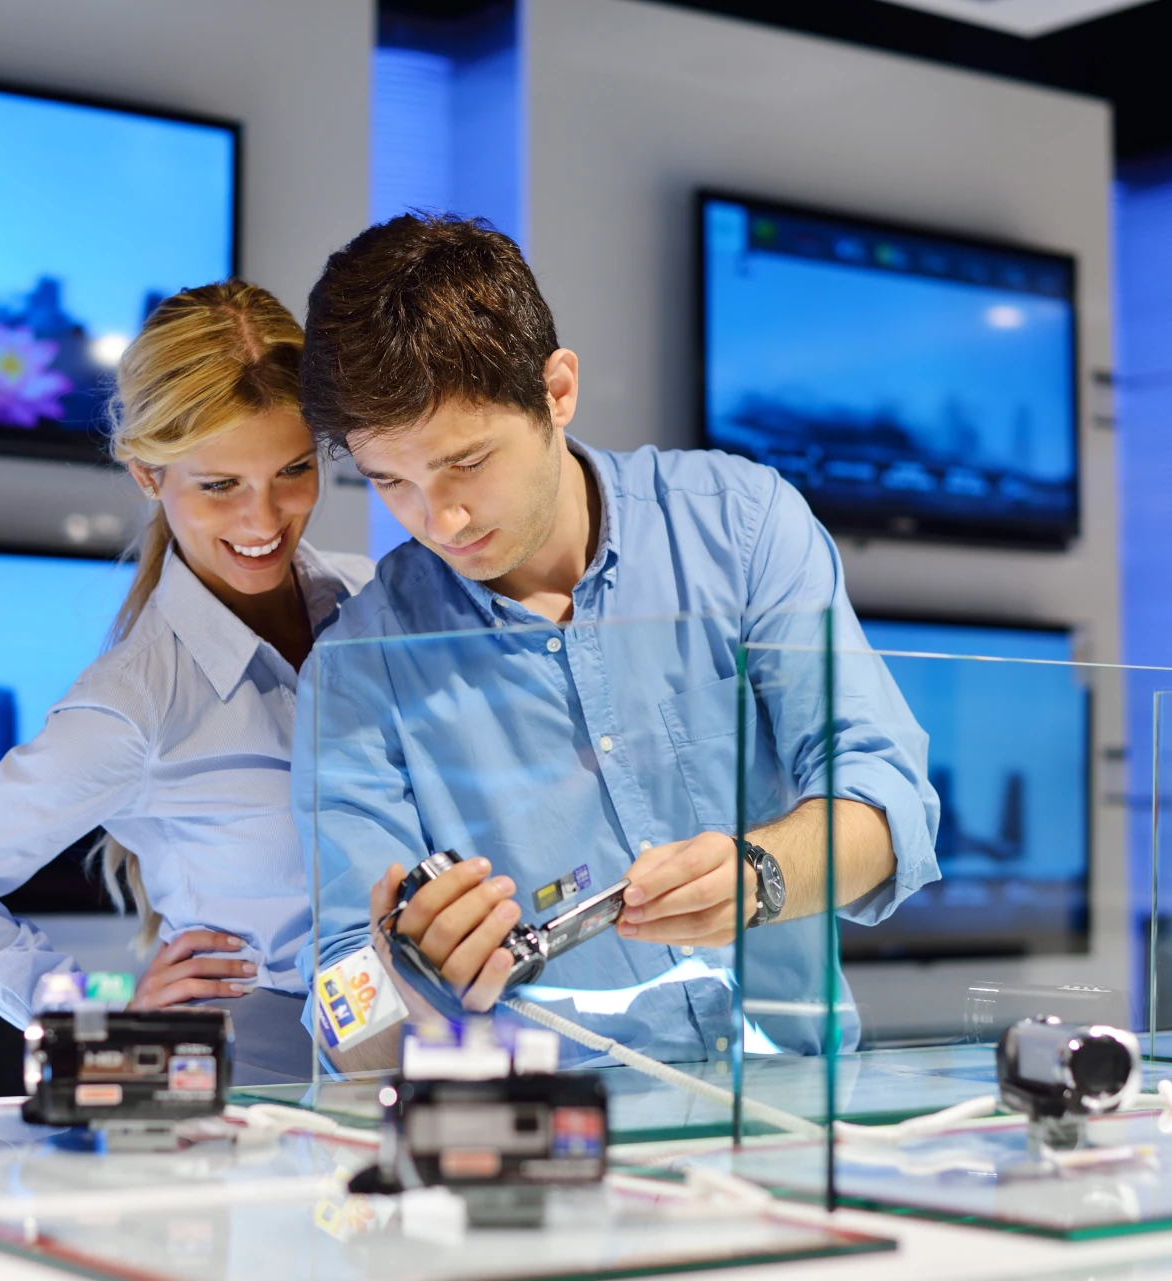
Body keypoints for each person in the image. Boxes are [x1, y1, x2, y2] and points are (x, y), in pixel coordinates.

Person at [291, 216, 939, 1069]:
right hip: (545, 1148)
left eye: (467, 463)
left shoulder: (739, 525)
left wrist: (760, 873)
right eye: (390, 481)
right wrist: (403, 977)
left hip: (789, 1108)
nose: (435, 518)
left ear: (557, 391)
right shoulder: (359, 666)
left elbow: (888, 804)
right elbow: (341, 1018)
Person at [0, 281, 371, 1085]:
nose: (264, 520)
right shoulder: (133, 704)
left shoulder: (375, 602)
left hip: (427, 1051)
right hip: (258, 1088)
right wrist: (89, 1009)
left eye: (292, 470)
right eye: (220, 485)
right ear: (149, 476)